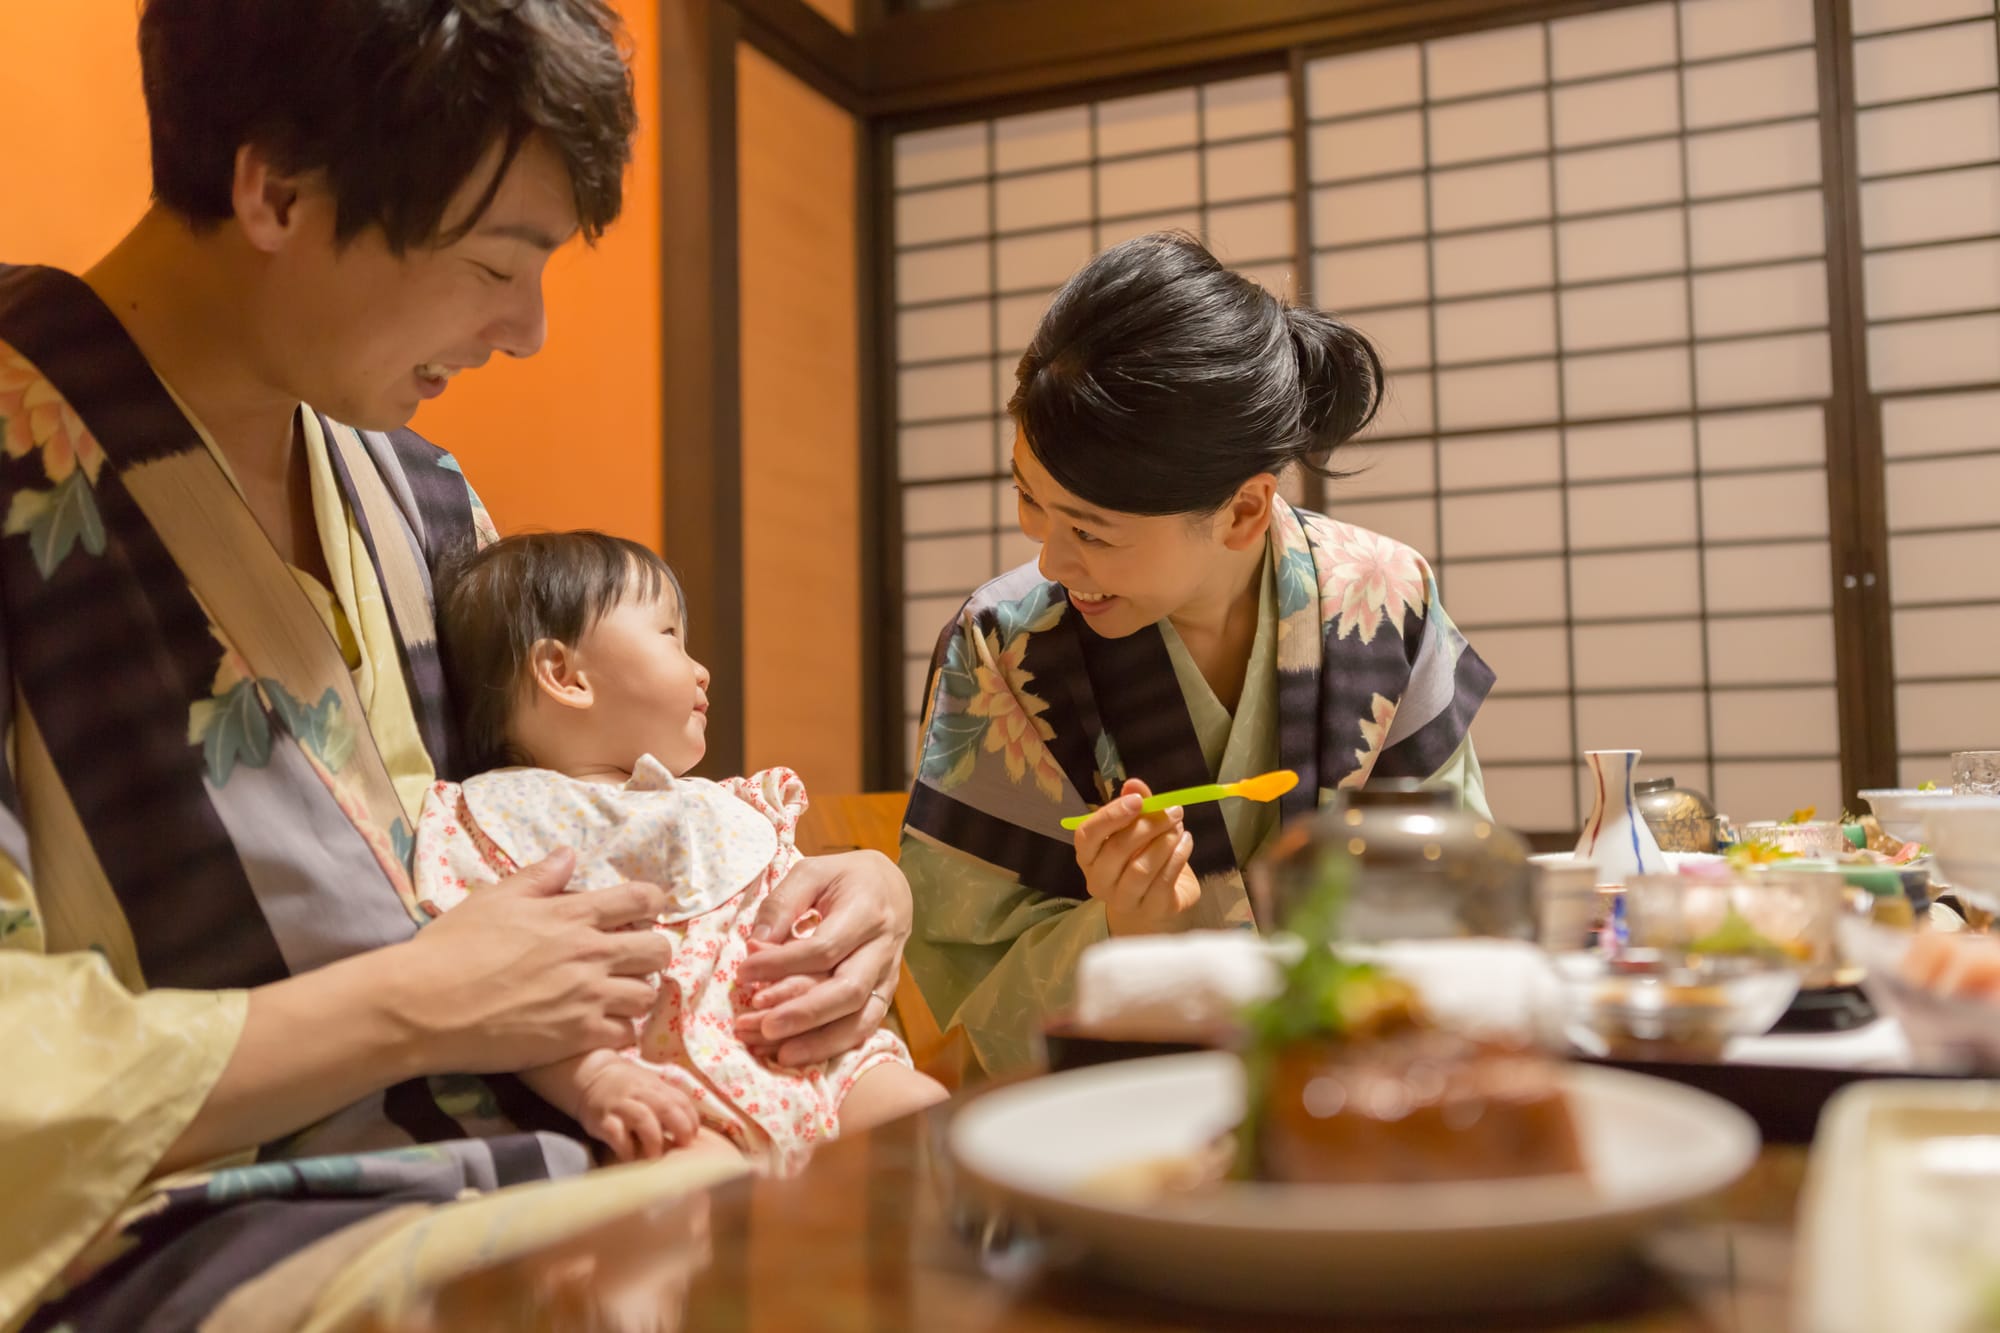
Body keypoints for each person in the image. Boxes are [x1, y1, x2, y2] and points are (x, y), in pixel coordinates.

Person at [0, 3, 912, 1328]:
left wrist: (830, 894)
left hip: (587, 1147)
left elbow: (563, 833)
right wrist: (413, 1006)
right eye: (498, 265)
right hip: (215, 1221)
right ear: (278, 190)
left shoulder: (421, 498)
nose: (529, 329)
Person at [900, 232, 1496, 1077]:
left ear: (1245, 512)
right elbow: (962, 969)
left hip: (1362, 1087)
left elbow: (1458, 887)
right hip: (1108, 1123)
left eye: (1092, 532)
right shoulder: (1004, 643)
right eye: (1031, 502)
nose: (1052, 562)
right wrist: (1125, 931)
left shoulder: (1385, 599)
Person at [416, 531, 945, 1174]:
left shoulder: (728, 808)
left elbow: (800, 909)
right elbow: (496, 984)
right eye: (669, 635)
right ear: (564, 675)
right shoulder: (496, 820)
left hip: (825, 1064)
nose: (702, 669)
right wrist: (593, 1081)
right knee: (681, 1198)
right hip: (671, 1099)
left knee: (930, 1122)